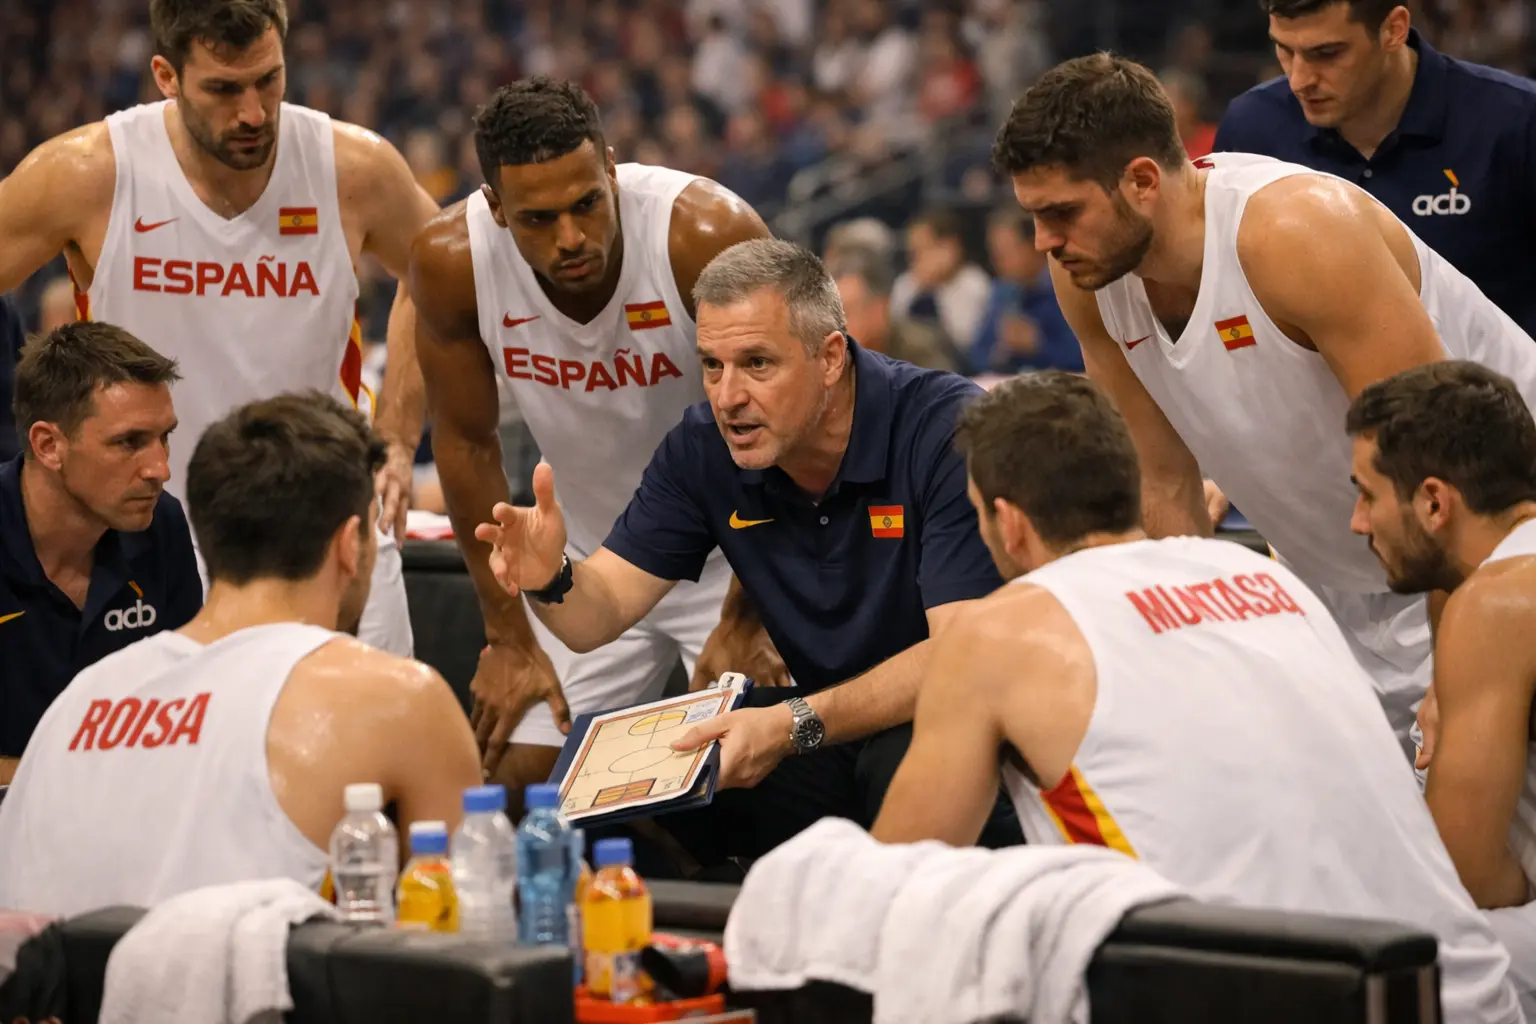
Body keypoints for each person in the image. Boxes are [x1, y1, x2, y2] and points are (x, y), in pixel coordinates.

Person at [872, 372, 1521, 1024]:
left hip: (1296, 1002)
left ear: (1008, 523)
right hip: (1469, 993)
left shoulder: (1003, 630)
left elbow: (902, 882)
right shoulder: (1267, 578)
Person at [993, 52, 1536, 751]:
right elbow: (1162, 482)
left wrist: (1457, 670)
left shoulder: (1298, 233)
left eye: (1062, 212)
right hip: (1342, 580)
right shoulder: (1088, 279)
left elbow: (1441, 479)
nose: (1045, 242)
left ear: (1142, 181)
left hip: (1495, 556)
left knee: (1483, 841)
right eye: (1033, 217)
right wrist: (1200, 664)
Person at [476, 238, 1019, 872]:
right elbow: (598, 613)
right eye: (712, 365)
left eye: (757, 364)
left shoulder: (944, 428)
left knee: (897, 758)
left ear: (831, 358)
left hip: (963, 722)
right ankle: (681, 948)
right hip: (822, 726)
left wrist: (791, 724)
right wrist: (551, 576)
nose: (728, 396)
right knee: (597, 786)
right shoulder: (703, 448)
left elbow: (963, 656)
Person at [0, 0, 439, 657]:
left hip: (331, 526)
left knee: (365, 757)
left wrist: (400, 439)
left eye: (270, 80)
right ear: (166, 76)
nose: (254, 113)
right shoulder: (88, 174)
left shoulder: (354, 170)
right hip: (155, 536)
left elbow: (445, 280)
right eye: (225, 89)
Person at [411, 78, 786, 798]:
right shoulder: (453, 260)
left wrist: (751, 608)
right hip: (588, 568)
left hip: (739, 554)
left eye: (587, 202)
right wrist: (508, 637)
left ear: (612, 167)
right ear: (494, 209)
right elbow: (464, 444)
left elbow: (788, 421)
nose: (572, 237)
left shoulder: (703, 235)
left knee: (772, 776)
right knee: (524, 789)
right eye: (539, 219)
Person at [0, 392, 481, 918]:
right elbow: (461, 947)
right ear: (350, 543)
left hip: (72, 998)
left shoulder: (78, 704)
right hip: (256, 998)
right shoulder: (401, 697)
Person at [1344, 361, 1536, 1016]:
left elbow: (1469, 876)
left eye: (1367, 495)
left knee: (1404, 958)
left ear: (1433, 501)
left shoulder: (1496, 601)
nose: (1357, 523)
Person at [1213, 0, 1536, 339]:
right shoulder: (1250, 129)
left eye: (1326, 53)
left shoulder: (1517, 121)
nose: (1299, 80)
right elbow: (1226, 301)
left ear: (1393, 29)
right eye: (1284, 50)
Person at [1, 322, 201, 786]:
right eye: (129, 443)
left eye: (164, 437)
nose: (160, 469)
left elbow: (189, 711)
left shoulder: (161, 525)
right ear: (49, 445)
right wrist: (86, 778)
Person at [970, 207, 1081, 375]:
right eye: (993, 253)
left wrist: (1039, 345)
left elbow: (1086, 357)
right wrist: (999, 351)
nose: (997, 261)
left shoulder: (1066, 288)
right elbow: (976, 355)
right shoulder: (1002, 291)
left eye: (1005, 252)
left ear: (1034, 246)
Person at [825, 244, 960, 372]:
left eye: (845, 313)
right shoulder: (826, 357)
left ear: (879, 310)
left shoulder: (921, 352)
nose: (835, 329)